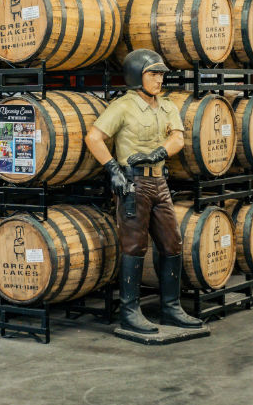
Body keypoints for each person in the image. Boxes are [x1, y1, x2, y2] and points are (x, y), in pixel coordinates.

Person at [85, 49, 203, 336]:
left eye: (161, 74)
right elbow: (94, 137)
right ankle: (130, 311)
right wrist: (113, 168)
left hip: (159, 182)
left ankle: (171, 307)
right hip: (133, 184)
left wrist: (159, 153)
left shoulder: (166, 106)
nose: (159, 79)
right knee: (134, 246)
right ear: (137, 76)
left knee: (171, 243)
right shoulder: (123, 106)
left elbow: (178, 137)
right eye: (153, 74)